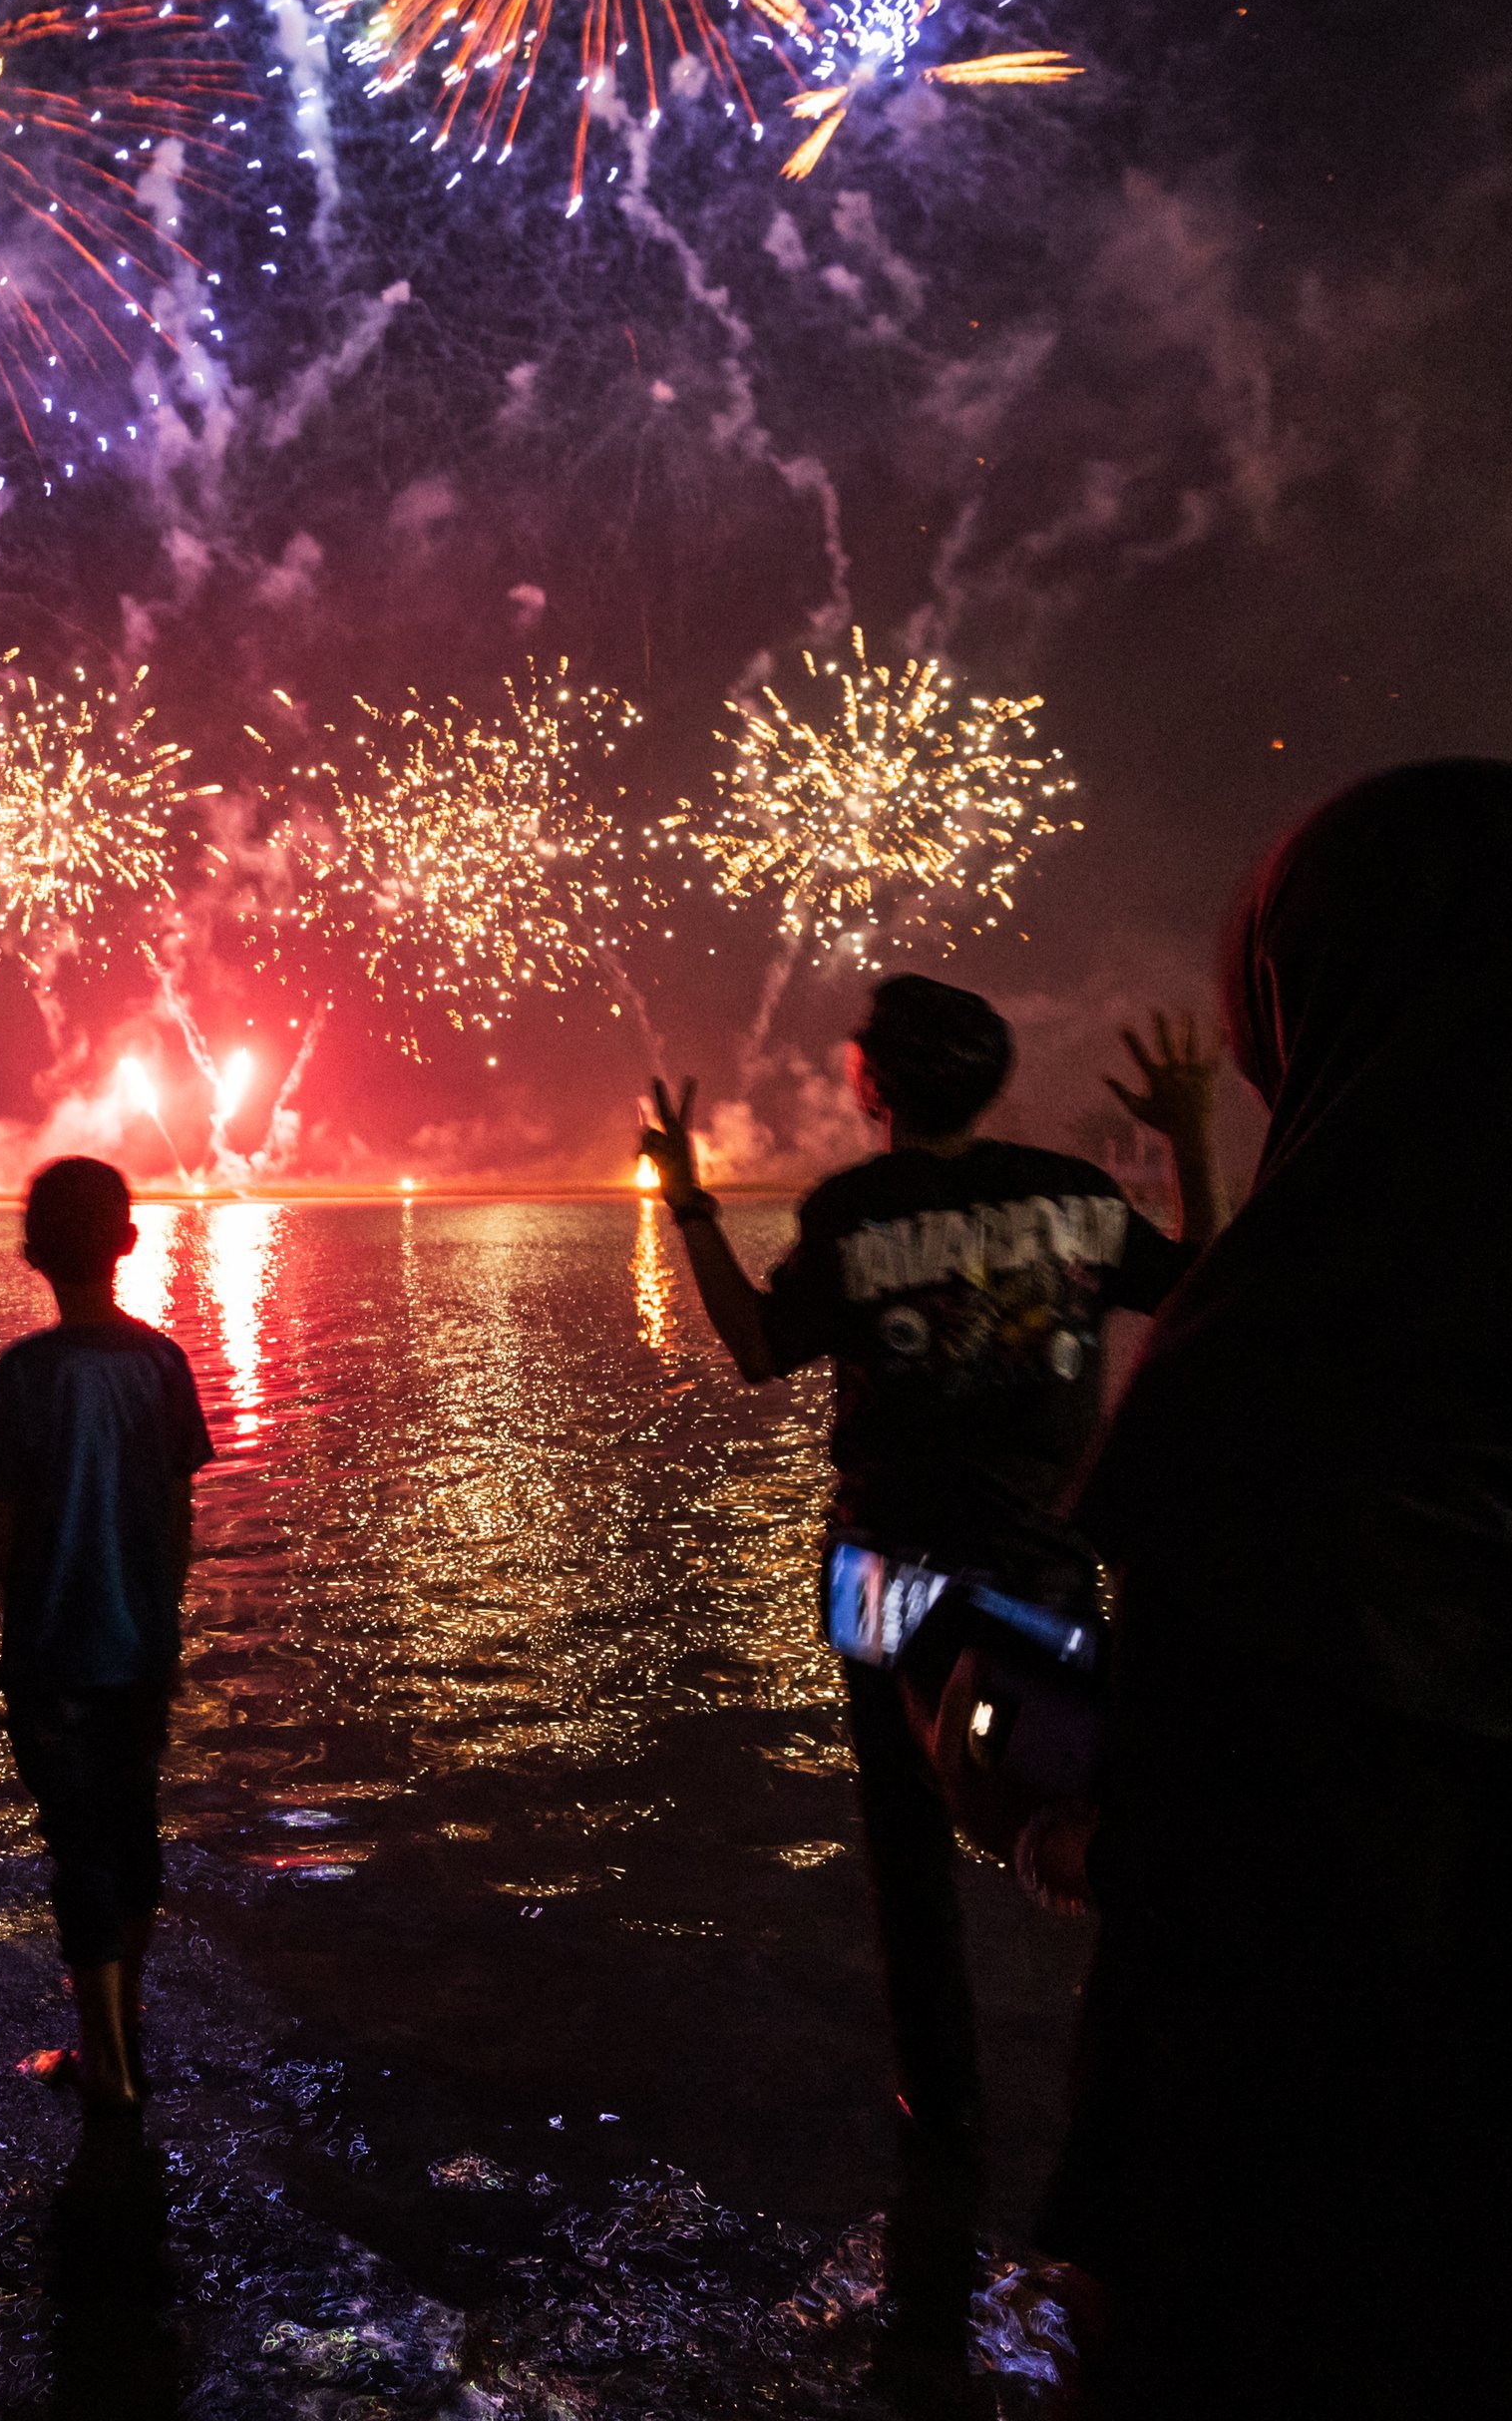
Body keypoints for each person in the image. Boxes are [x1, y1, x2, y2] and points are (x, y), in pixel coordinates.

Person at [1053, 761, 1512, 2417]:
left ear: (1294, 1017)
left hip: (1331, 2291)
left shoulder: (1252, 1406)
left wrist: (1023, 1819)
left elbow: (1198, 1906)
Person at [636, 974, 1216, 2417]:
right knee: (1095, 1819)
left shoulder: (851, 1213)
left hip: (884, 1574)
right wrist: (1198, 1131)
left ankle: (939, 2123)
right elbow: (1202, 1288)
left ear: (877, 1084)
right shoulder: (1078, 1197)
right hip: (1041, 1566)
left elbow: (761, 1352)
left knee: (904, 1849)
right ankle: (1133, 2104)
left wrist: (690, 1203)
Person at [0, 1157, 213, 2114]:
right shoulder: (163, 1364)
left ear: (31, 1253)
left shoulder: (25, 1374)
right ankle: (125, 2019)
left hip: (52, 1656)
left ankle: (102, 2061)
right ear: (129, 1243)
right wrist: (165, 1616)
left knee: (78, 1846)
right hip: (140, 1648)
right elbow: (179, 1513)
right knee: (131, 1825)